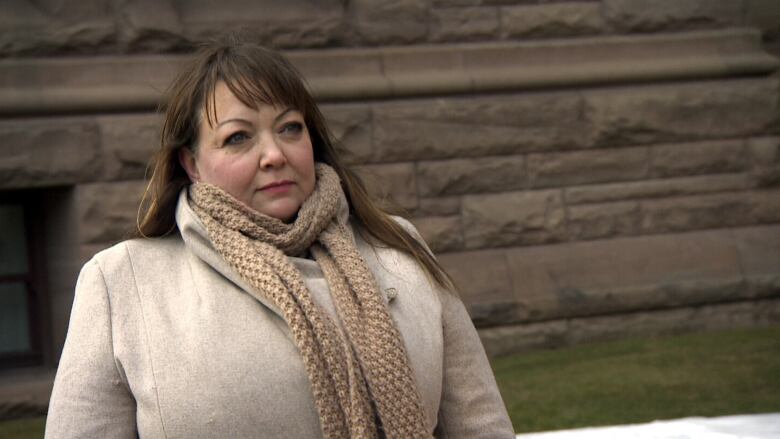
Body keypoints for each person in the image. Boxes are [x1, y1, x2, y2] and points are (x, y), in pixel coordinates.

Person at [45, 32, 514, 439]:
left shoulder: (397, 249)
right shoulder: (121, 282)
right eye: (238, 137)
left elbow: (481, 426)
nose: (273, 154)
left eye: (289, 128)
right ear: (191, 164)